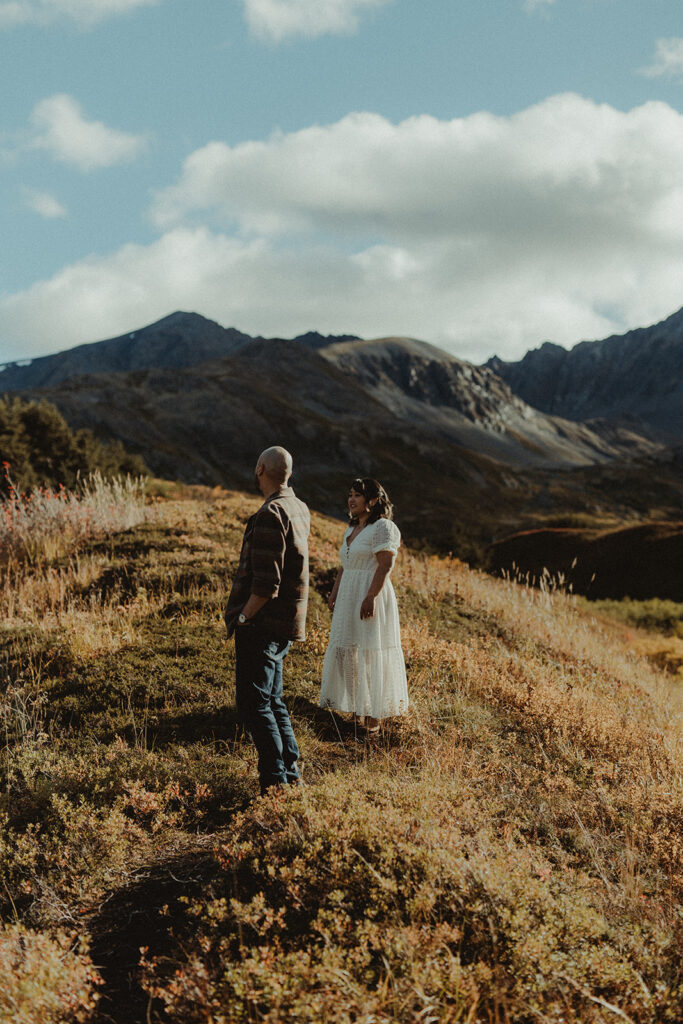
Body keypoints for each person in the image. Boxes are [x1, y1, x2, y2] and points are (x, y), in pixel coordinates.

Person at [225, 446, 310, 794]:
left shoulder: (270, 513)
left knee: (255, 704)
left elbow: (266, 584)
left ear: (260, 468)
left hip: (262, 624)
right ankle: (291, 773)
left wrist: (243, 617)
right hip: (286, 623)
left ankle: (275, 783)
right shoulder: (299, 507)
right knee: (273, 700)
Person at [320, 477, 408, 733]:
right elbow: (345, 566)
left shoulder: (383, 527)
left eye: (357, 495)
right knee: (346, 650)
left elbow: (385, 565)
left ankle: (373, 719)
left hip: (370, 594)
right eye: (350, 494)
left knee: (370, 652)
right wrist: (335, 593)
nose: (351, 499)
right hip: (349, 593)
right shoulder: (351, 529)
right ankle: (359, 707)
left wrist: (370, 596)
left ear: (373, 501)